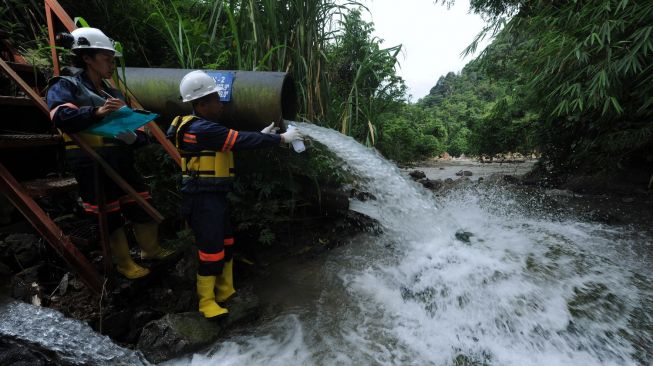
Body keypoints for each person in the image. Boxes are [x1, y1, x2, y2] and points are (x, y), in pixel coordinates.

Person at [167, 70, 303, 319]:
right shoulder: (201, 128)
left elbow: (232, 141)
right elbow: (237, 140)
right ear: (201, 103)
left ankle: (225, 289)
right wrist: (282, 138)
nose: (220, 104)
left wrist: (261, 136)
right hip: (202, 199)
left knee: (226, 242)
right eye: (216, 100)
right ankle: (206, 302)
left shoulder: (203, 127)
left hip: (214, 196)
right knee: (210, 249)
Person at [46, 27, 174, 279]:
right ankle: (124, 264)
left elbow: (133, 131)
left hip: (119, 157)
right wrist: (96, 112)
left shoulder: (112, 92)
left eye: (112, 59)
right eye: (106, 58)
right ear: (87, 58)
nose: (111, 64)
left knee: (141, 202)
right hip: (90, 160)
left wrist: (134, 136)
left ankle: (151, 250)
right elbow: (60, 116)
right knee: (109, 214)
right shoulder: (64, 85)